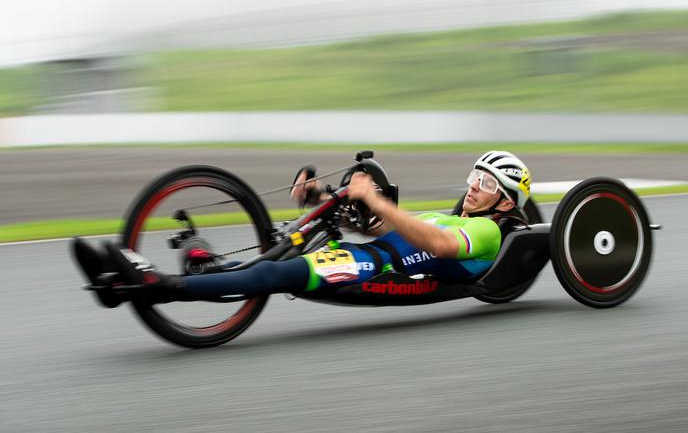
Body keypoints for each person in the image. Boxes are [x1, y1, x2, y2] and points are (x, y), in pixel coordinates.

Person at [72, 151, 531, 308]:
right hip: (368, 254)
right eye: (473, 176)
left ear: (506, 200)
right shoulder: (446, 212)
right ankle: (121, 283)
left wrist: (373, 199)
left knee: (272, 275)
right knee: (272, 253)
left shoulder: (490, 234)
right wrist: (318, 198)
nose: (473, 187)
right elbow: (380, 226)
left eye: (486, 183)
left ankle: (159, 286)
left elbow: (435, 245)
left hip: (373, 269)